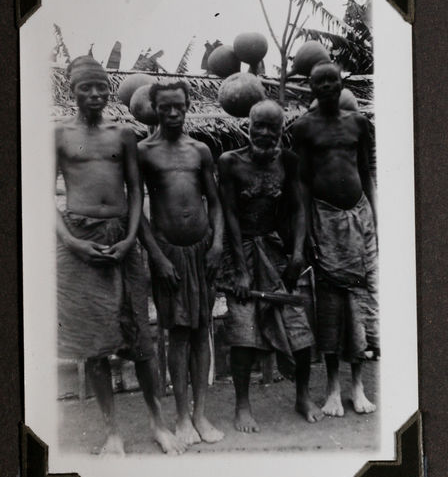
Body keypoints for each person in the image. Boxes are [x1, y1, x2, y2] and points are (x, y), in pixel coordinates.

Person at [56, 56, 185, 455]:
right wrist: (73, 242)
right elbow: (40, 195)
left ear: (109, 89)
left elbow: (136, 192)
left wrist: (131, 239)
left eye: (100, 87)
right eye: (85, 88)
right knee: (93, 342)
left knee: (139, 338)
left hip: (121, 240)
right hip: (79, 241)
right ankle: (112, 431)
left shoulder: (123, 134)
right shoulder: (59, 135)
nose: (94, 95)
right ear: (71, 89)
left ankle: (158, 423)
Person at [217, 99, 322, 432]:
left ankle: (302, 396)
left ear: (281, 130)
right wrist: (241, 269)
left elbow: (299, 209)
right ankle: (243, 406)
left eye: (271, 128)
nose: (263, 133)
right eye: (257, 126)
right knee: (243, 331)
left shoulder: (289, 162)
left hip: (277, 253)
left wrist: (296, 253)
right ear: (247, 125)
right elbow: (230, 214)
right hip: (241, 254)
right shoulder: (229, 162)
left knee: (298, 328)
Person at [138, 81, 225, 446]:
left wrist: (218, 243)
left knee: (202, 328)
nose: (173, 114)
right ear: (154, 108)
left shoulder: (200, 150)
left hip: (202, 250)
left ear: (188, 106)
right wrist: (157, 256)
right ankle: (181, 417)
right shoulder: (144, 152)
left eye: (179, 107)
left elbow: (216, 202)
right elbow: (137, 214)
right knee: (177, 333)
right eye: (165, 108)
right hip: (169, 254)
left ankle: (201, 415)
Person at [290, 60, 378, 417]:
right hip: (324, 219)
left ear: (341, 83)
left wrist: (375, 218)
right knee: (328, 305)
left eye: (332, 80)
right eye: (319, 82)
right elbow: (302, 184)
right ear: (310, 88)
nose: (326, 86)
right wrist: (308, 230)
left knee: (359, 302)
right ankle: (332, 387)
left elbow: (367, 173)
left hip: (360, 218)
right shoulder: (303, 128)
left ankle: (357, 386)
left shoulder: (359, 123)